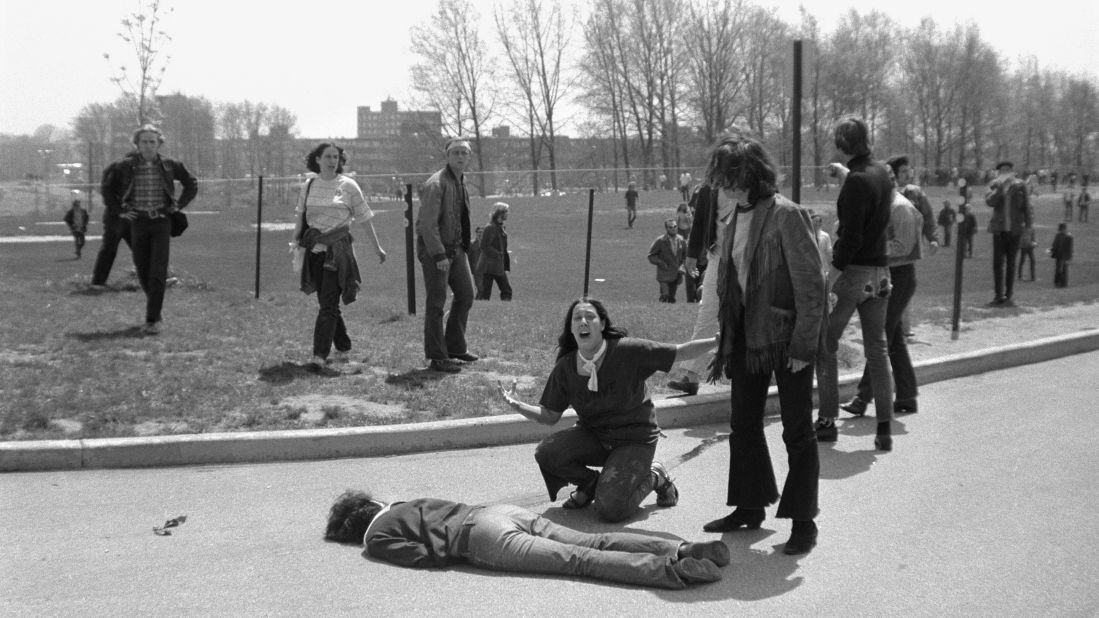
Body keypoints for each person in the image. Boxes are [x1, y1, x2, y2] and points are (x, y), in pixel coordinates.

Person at [698, 132, 825, 556]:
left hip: (787, 341)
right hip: (746, 340)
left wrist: (803, 346)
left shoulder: (787, 215)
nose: (724, 186)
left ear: (752, 174)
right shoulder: (734, 217)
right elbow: (732, 281)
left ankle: (804, 521)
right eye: (721, 178)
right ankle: (750, 507)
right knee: (744, 425)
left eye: (730, 177)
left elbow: (812, 286)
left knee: (797, 432)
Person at [498, 297, 717, 523]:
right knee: (547, 452)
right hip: (595, 437)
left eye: (590, 317)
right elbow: (549, 415)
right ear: (571, 329)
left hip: (635, 441)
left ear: (602, 324)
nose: (583, 322)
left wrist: (716, 341)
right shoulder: (566, 367)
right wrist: (517, 404)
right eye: (577, 318)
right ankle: (590, 483)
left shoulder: (627, 351)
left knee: (610, 509)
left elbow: (680, 352)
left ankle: (655, 475)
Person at [324, 490, 730, 589]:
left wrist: (444, 556)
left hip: (480, 539)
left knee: (578, 561)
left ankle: (673, 572)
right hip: (495, 512)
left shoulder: (374, 537)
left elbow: (418, 557)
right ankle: (681, 547)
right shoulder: (401, 502)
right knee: (596, 541)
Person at [813, 116, 896, 451]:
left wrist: (830, 276)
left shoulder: (857, 182)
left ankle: (827, 419)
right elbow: (868, 189)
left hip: (855, 274)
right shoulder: (882, 174)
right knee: (878, 350)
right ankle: (884, 429)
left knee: (826, 342)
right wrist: (845, 174)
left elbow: (849, 237)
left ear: (843, 144)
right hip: (882, 275)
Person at [841, 164, 928, 419]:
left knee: (880, 336)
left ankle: (862, 397)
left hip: (900, 276)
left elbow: (904, 245)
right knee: (894, 337)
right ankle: (907, 395)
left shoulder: (900, 207)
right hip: (885, 274)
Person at [292, 143, 386, 372]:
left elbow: (364, 218)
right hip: (314, 250)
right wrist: (296, 243)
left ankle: (319, 356)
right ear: (317, 160)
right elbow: (301, 215)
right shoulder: (309, 184)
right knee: (327, 302)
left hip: (338, 253)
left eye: (336, 157)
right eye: (328, 157)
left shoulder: (348, 186)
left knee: (328, 305)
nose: (333, 161)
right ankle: (343, 344)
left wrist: (378, 248)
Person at [98, 125, 198, 334]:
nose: (148, 145)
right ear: (137, 144)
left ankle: (153, 319)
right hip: (138, 222)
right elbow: (107, 188)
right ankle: (155, 309)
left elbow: (191, 183)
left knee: (158, 270)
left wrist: (178, 205)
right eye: (144, 141)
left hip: (161, 221)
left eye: (153, 141)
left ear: (159, 144)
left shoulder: (169, 165)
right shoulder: (124, 166)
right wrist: (119, 211)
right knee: (142, 268)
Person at [416, 137, 477, 373]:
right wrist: (439, 255)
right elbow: (427, 225)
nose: (460, 157)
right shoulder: (436, 183)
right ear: (447, 156)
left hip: (456, 249)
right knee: (436, 304)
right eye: (456, 153)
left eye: (464, 153)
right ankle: (437, 357)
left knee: (466, 294)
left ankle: (455, 347)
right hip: (437, 252)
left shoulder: (460, 181)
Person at [984, 161, 1032, 307]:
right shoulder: (994, 184)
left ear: (1012, 171)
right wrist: (1000, 188)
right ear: (998, 172)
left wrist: (1028, 228)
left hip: (1015, 230)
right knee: (998, 264)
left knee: (1011, 263)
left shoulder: (1020, 185)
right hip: (999, 230)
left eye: (1008, 170)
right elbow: (990, 202)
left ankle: (1008, 296)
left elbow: (1026, 207)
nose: (1005, 172)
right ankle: (998, 296)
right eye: (1002, 170)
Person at [477, 202, 512, 301]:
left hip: (497, 265)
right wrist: (498, 254)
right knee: (485, 293)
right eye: (506, 212)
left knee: (506, 290)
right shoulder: (490, 227)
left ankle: (504, 310)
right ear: (500, 213)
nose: (507, 214)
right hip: (489, 266)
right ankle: (481, 310)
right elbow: (484, 246)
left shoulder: (500, 227)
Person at [647, 218, 686, 302]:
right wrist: (660, 262)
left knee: (672, 298)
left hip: (676, 274)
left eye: (675, 226)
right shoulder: (660, 241)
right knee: (665, 295)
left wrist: (683, 267)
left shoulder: (681, 240)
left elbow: (685, 256)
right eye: (670, 227)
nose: (673, 229)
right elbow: (651, 256)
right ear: (666, 228)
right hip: (664, 274)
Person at [1051, 223, 1073, 287]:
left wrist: (1069, 258)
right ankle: (1057, 282)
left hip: (1065, 256)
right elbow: (1055, 244)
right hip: (1058, 255)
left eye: (1062, 229)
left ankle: (1064, 283)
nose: (1061, 231)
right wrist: (1051, 250)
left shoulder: (1069, 237)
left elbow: (1070, 249)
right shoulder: (1058, 235)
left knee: (1064, 270)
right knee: (1058, 269)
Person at [469, 225, 485, 298]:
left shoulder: (487, 244)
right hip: (476, 269)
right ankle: (478, 300)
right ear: (476, 233)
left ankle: (477, 301)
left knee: (484, 289)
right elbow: (469, 257)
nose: (480, 234)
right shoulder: (471, 244)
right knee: (480, 288)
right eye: (479, 232)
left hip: (485, 269)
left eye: (482, 232)